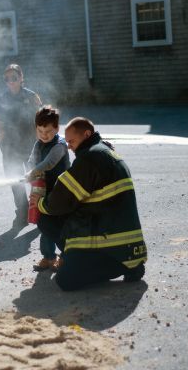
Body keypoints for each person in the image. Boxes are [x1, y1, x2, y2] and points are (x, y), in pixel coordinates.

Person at [30, 117, 147, 291]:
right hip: (122, 240)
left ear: (86, 134)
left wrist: (39, 203)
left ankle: (125, 266)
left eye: (71, 141)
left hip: (111, 246)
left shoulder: (90, 157)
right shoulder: (104, 152)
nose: (68, 146)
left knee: (65, 281)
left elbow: (59, 201)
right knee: (51, 219)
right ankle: (127, 263)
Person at [0, 63, 42, 230]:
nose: (10, 82)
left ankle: (39, 211)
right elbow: (0, 124)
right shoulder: (2, 99)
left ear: (21, 78)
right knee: (16, 182)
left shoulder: (32, 97)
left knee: (36, 181)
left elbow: (41, 122)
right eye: (6, 79)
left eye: (14, 78)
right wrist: (2, 146)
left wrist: (42, 145)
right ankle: (22, 212)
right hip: (10, 148)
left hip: (30, 146)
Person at [26, 106, 70, 271]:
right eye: (40, 131)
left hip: (61, 192)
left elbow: (49, 163)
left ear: (57, 128)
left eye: (48, 131)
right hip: (44, 191)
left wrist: (34, 171)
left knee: (61, 226)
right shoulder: (38, 144)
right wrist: (30, 172)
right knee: (44, 225)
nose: (44, 135)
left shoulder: (60, 145)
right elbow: (32, 160)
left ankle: (67, 256)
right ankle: (48, 257)